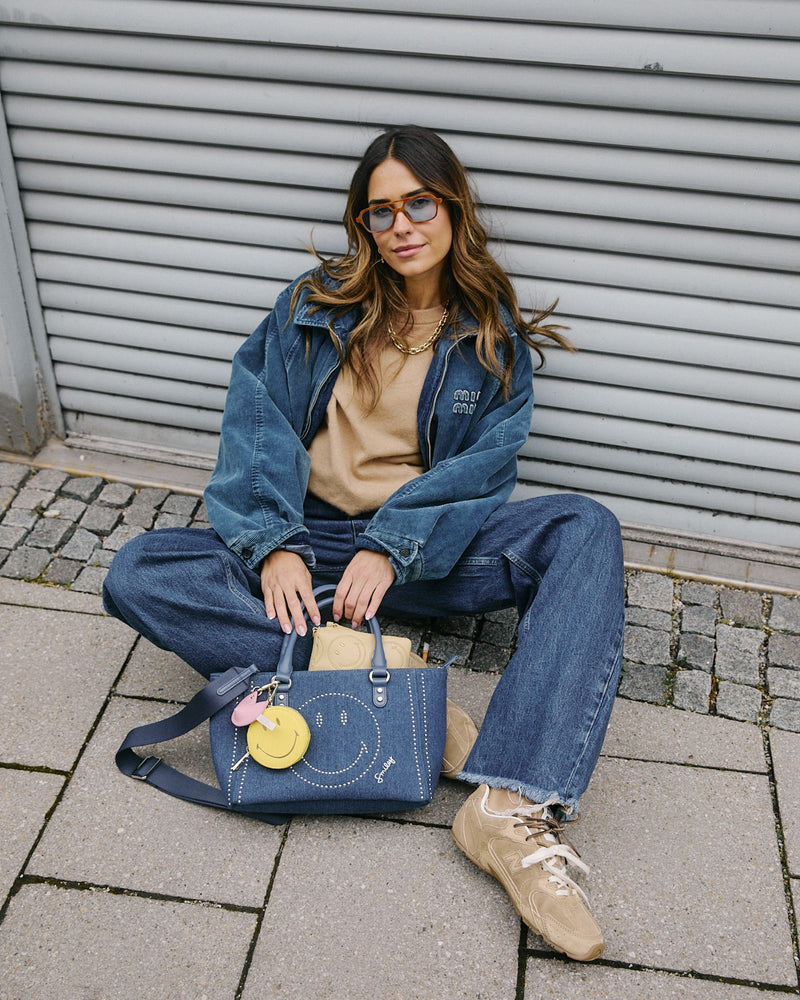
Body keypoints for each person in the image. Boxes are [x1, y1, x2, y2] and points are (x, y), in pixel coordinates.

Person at [103, 124, 624, 962]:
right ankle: (374, 679)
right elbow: (256, 424)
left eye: (420, 203)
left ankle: (507, 805)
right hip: (307, 547)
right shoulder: (314, 306)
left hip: (417, 557)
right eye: (380, 212)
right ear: (363, 226)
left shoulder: (490, 339)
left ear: (453, 208)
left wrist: (394, 545)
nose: (402, 226)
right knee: (141, 570)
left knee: (584, 529)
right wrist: (273, 543)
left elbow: (481, 476)